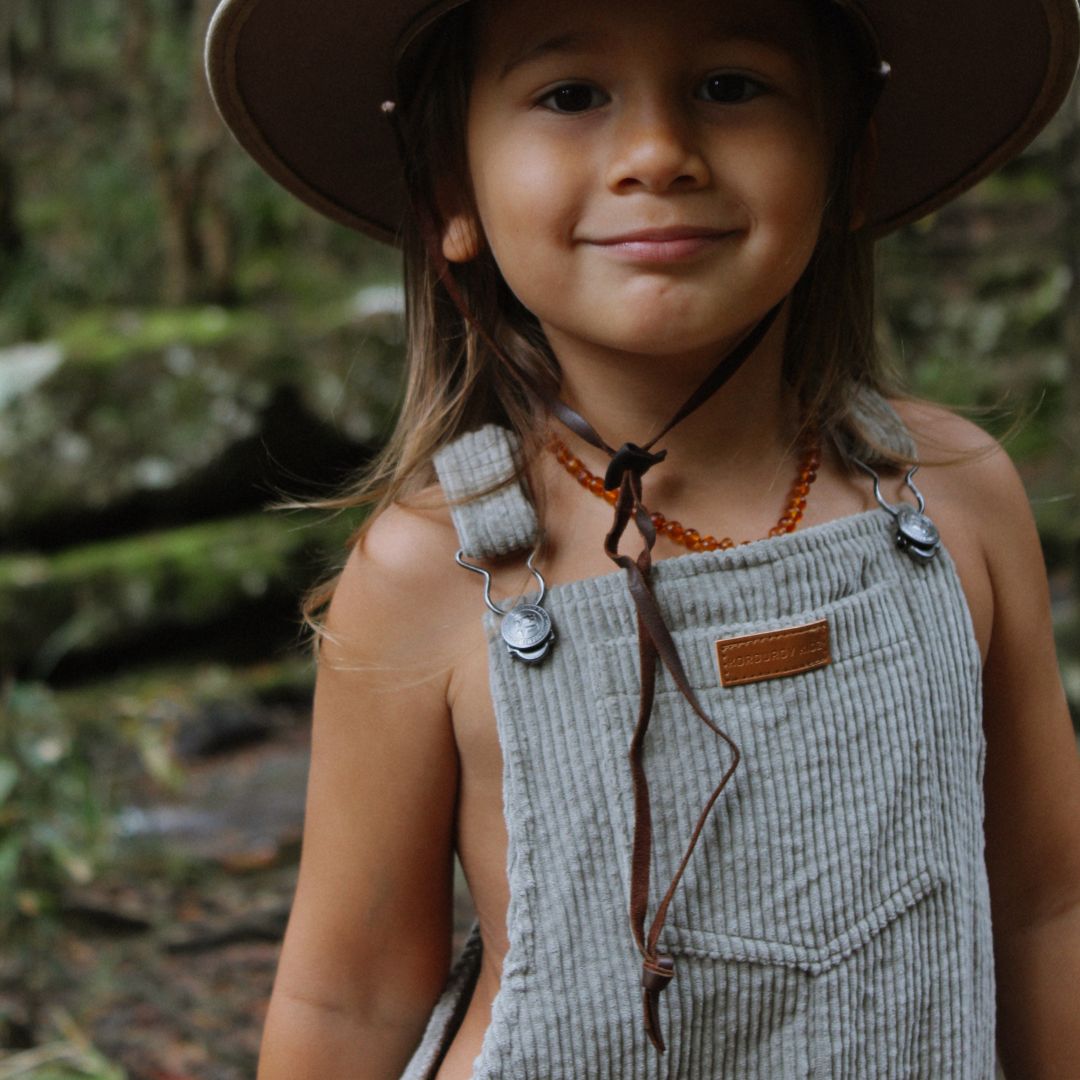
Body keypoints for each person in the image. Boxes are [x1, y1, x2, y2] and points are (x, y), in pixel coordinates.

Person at [206, 0, 1080, 1075]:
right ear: (452, 192)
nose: (659, 154)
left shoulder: (957, 504)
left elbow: (1046, 903)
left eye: (730, 86)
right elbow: (348, 996)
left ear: (849, 159)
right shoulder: (435, 573)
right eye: (571, 96)